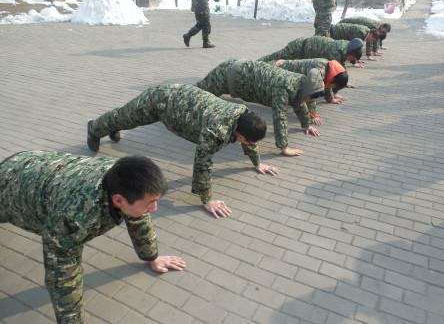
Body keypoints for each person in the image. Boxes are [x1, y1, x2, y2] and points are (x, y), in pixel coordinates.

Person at [0, 151, 186, 323]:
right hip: (9, 183)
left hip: (38, 167)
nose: (155, 209)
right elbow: (63, 276)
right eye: (151, 203)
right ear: (118, 200)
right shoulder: (74, 217)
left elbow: (138, 216)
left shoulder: (126, 178)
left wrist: (152, 256)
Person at [87, 84, 278, 218]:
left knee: (126, 119)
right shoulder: (216, 131)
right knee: (125, 116)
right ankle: (94, 128)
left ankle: (114, 125)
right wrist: (207, 200)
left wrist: (258, 163)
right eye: (246, 141)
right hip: (161, 101)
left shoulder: (243, 118)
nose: (247, 144)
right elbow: (202, 164)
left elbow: (250, 141)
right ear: (241, 135)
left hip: (179, 100)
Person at [196, 59, 324, 156]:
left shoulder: (300, 84)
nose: (307, 102)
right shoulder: (284, 87)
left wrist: (306, 125)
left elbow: (299, 102)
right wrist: (284, 147)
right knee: (198, 95)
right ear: (307, 91)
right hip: (228, 74)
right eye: (309, 98)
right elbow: (280, 116)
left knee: (201, 95)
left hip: (239, 75)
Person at [274, 58, 349, 111]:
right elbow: (310, 95)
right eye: (335, 86)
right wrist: (313, 115)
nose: (333, 87)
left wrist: (330, 98)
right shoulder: (320, 73)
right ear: (335, 80)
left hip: (283, 66)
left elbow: (328, 84)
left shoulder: (330, 70)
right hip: (278, 68)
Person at [258, 36, 364, 68]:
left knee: (279, 62)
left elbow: (341, 64)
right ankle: (254, 64)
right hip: (298, 48)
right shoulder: (336, 53)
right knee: (275, 58)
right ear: (351, 54)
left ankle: (257, 65)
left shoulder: (344, 45)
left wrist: (344, 81)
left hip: (303, 49)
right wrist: (332, 97)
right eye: (353, 59)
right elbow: (330, 75)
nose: (351, 61)